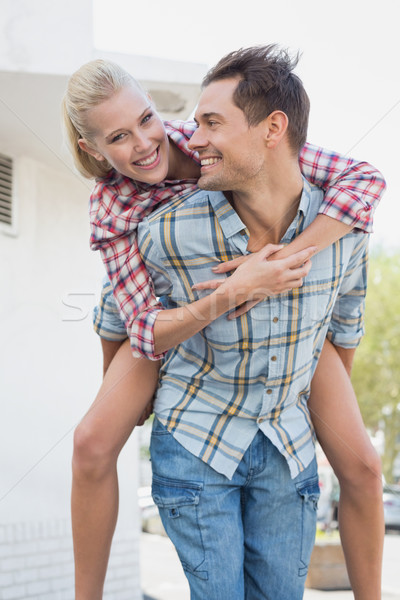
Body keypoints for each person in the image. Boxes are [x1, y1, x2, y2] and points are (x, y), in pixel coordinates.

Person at [62, 54, 384, 600]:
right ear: (94, 150)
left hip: (283, 298)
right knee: (93, 442)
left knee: (363, 465)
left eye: (146, 119)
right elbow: (130, 320)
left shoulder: (202, 138)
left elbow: (364, 179)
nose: (143, 144)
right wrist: (238, 290)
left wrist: (280, 263)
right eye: (118, 137)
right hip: (165, 309)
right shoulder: (114, 206)